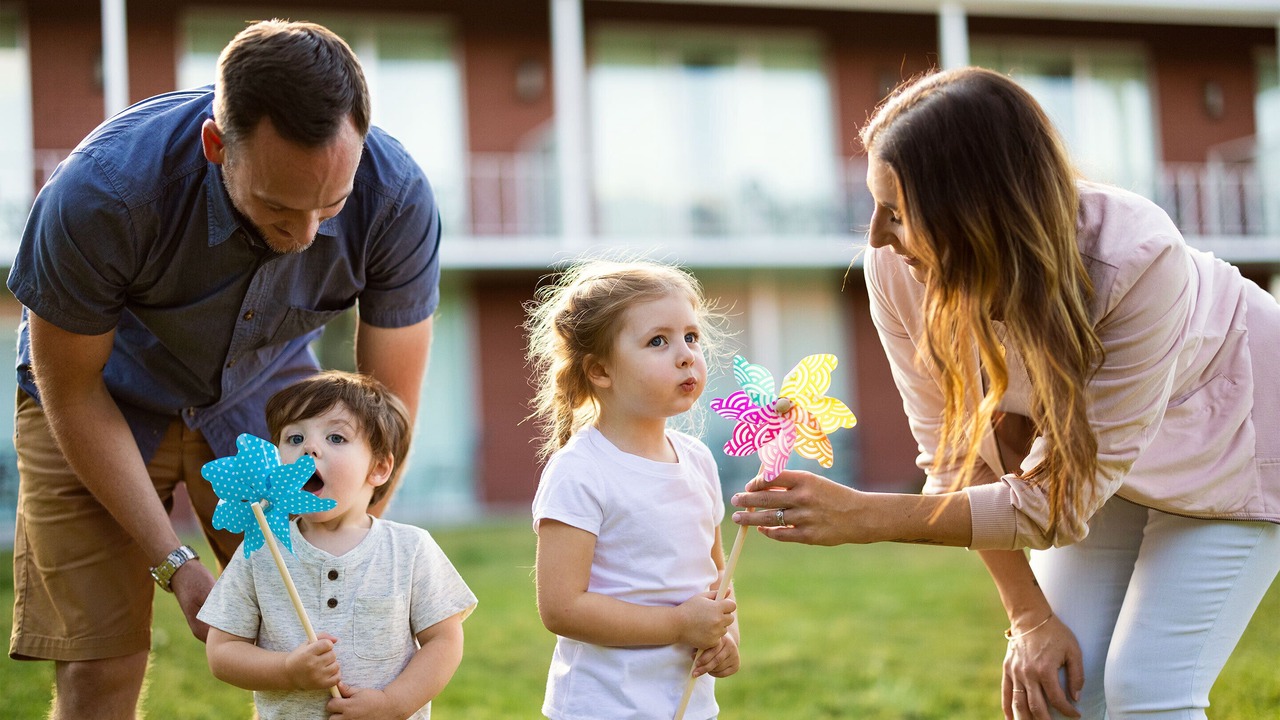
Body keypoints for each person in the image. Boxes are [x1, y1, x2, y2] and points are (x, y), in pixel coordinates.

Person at [731, 66, 1280, 720]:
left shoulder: (1135, 261)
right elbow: (953, 456)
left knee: (1148, 685)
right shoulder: (897, 268)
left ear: (974, 210)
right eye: (876, 206)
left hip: (1234, 423)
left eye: (898, 212)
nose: (875, 235)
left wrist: (865, 517)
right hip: (1088, 454)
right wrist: (1029, 620)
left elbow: (1056, 507)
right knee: (1058, 688)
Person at [6, 19, 440, 719]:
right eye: (278, 205)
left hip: (264, 398)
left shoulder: (396, 198)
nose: (307, 234)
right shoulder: (103, 193)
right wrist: (175, 566)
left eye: (330, 205)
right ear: (217, 147)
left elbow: (381, 417)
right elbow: (72, 388)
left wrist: (346, 547)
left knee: (327, 641)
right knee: (99, 666)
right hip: (101, 400)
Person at [526, 258, 740, 719]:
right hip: (603, 706)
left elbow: (717, 575)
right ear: (600, 371)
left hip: (689, 705)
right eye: (658, 341)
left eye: (691, 336)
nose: (686, 354)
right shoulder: (581, 471)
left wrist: (726, 637)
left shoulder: (699, 461)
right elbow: (561, 608)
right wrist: (678, 624)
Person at [198, 370, 476, 719]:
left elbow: (444, 641)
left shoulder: (410, 548)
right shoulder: (261, 550)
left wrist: (393, 704)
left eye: (336, 437)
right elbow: (222, 652)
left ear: (379, 467)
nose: (309, 448)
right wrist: (288, 671)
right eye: (294, 437)